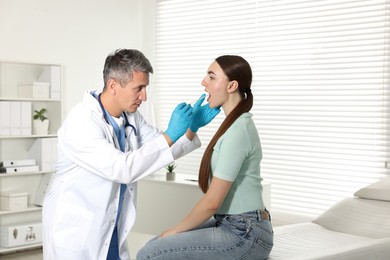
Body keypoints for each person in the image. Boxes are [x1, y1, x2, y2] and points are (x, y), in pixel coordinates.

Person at [42, 49, 220, 260]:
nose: (144, 97)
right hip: (77, 232)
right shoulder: (82, 121)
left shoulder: (131, 117)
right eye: (139, 88)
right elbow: (122, 169)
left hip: (111, 227)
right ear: (113, 86)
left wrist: (191, 128)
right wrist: (171, 134)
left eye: (145, 88)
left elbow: (160, 149)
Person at [136, 55, 274, 260]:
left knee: (150, 253)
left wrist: (174, 231)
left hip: (246, 232)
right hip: (235, 224)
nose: (203, 82)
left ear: (231, 85)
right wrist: (192, 128)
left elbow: (212, 202)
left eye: (211, 77)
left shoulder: (238, 130)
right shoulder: (234, 125)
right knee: (155, 245)